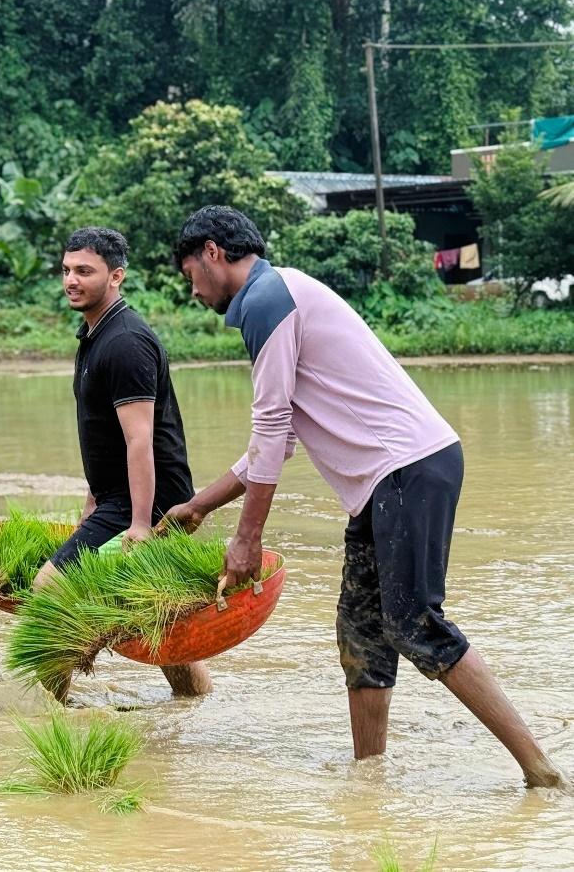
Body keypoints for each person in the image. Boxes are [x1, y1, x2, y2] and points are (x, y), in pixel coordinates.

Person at [166, 204, 564, 788]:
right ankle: (369, 779)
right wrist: (201, 505)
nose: (194, 292)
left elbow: (271, 429)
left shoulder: (267, 300)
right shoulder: (276, 294)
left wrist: (247, 537)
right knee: (362, 633)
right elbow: (281, 439)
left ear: (212, 253)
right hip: (385, 483)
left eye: (189, 276)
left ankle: (540, 770)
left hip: (406, 468)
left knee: (415, 624)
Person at [29, 226, 213, 700]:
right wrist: (93, 500)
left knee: (50, 587)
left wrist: (140, 523)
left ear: (116, 276)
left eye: (84, 271)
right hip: (121, 497)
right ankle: (193, 702)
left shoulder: (126, 342)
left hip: (147, 501)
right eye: (66, 270)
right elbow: (102, 434)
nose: (71, 280)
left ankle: (56, 711)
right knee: (155, 612)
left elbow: (139, 439)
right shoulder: (94, 335)